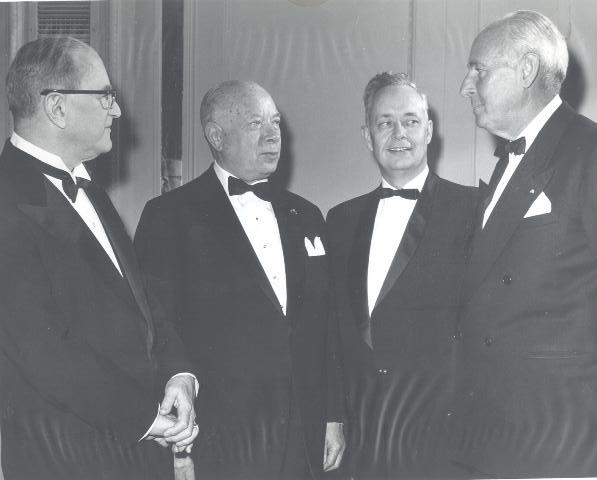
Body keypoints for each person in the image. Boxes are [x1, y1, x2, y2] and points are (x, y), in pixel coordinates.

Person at [0, 37, 198, 480]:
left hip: (134, 453)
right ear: (57, 107)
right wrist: (147, 419)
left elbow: (141, 301)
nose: (118, 110)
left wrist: (178, 374)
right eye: (105, 95)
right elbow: (42, 350)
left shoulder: (92, 192)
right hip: (68, 461)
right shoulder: (5, 200)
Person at [134, 80, 345, 480]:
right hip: (219, 438)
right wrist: (179, 447)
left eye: (275, 122)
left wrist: (333, 416)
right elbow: (154, 328)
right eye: (254, 124)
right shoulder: (169, 216)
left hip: (304, 432)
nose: (273, 135)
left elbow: (326, 325)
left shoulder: (307, 215)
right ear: (216, 136)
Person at [451, 9, 597, 477]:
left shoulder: (588, 151)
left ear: (527, 69)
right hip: (493, 431)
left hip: (558, 438)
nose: (465, 87)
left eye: (479, 70)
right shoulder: (507, 162)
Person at [326, 72, 478, 478]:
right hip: (362, 438)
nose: (399, 134)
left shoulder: (473, 210)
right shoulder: (339, 221)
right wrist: (332, 416)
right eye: (385, 123)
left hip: (444, 439)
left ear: (428, 130)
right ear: (367, 136)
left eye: (410, 121)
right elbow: (332, 332)